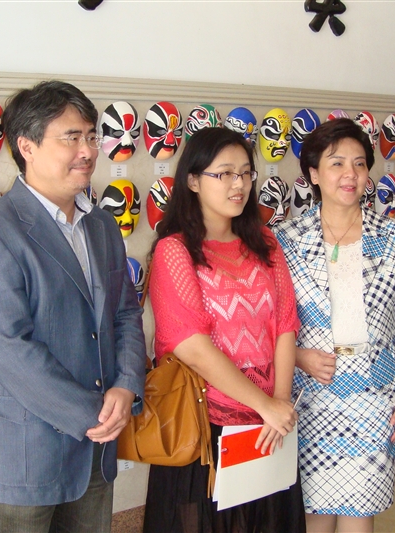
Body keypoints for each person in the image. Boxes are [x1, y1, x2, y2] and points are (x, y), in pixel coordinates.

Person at [0, 80, 146, 533]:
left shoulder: (102, 226)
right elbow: (7, 348)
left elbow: (125, 314)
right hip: (22, 452)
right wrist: (90, 414)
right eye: (71, 137)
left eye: (91, 137)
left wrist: (126, 385)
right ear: (27, 146)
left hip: (95, 448)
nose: (88, 151)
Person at [142, 127, 305, 533]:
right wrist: (264, 404)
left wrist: (279, 402)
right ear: (193, 180)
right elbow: (192, 346)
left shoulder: (265, 242)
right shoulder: (175, 251)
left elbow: (285, 325)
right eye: (225, 173)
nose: (239, 184)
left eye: (246, 173)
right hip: (204, 425)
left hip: (267, 424)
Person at [273, 118, 395, 533]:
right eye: (337, 163)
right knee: (313, 514)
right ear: (313, 174)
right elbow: (270, 320)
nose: (350, 174)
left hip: (375, 397)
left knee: (360, 513)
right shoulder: (284, 239)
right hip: (311, 397)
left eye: (359, 164)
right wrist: (298, 356)